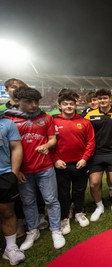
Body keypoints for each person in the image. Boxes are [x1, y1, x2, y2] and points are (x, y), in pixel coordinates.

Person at [4, 86, 66, 251]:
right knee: (28, 202)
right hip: (23, 170)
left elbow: (53, 139)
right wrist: (16, 170)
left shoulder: (45, 118)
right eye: (28, 101)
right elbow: (8, 149)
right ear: (18, 101)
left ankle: (56, 230)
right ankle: (33, 230)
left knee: (51, 200)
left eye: (36, 101)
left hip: (45, 167)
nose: (33, 105)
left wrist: (46, 145)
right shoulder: (10, 120)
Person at [52, 90, 95, 235]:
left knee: (79, 190)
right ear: (60, 106)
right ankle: (64, 218)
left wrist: (84, 158)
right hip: (61, 164)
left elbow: (90, 141)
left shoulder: (84, 122)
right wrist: (56, 159)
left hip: (80, 163)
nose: (69, 106)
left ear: (76, 105)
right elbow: (50, 143)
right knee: (63, 193)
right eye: (65, 104)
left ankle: (79, 212)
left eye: (71, 104)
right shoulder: (54, 121)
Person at [85, 89, 112, 221]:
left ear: (110, 99)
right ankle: (99, 206)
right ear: (97, 100)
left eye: (105, 98)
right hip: (96, 154)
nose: (102, 101)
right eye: (100, 98)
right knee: (94, 184)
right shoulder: (90, 115)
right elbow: (86, 135)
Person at [0, 112, 25, 265]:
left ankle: (11, 248)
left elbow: (16, 147)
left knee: (7, 211)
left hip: (4, 174)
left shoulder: (7, 123)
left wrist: (13, 173)